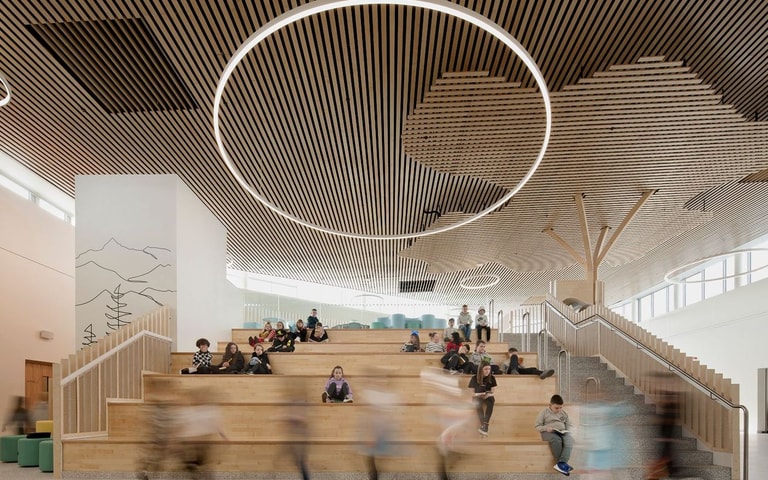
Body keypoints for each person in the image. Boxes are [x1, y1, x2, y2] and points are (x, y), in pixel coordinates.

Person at [535, 394, 575, 476]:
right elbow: (537, 426)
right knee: (557, 440)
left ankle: (561, 463)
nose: (559, 410)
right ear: (550, 405)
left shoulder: (563, 413)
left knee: (570, 440)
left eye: (561, 407)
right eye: (556, 408)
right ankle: (561, 464)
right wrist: (546, 428)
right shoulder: (544, 412)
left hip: (562, 432)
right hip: (548, 432)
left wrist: (568, 431)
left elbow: (569, 425)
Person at [468, 361, 496, 435]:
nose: (488, 371)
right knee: (478, 403)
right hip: (477, 396)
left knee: (491, 401)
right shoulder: (474, 378)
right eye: (486, 369)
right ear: (481, 369)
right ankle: (484, 426)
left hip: (487, 396)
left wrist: (488, 395)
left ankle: (485, 425)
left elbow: (493, 392)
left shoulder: (492, 378)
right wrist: (479, 394)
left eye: (489, 369)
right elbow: (472, 393)